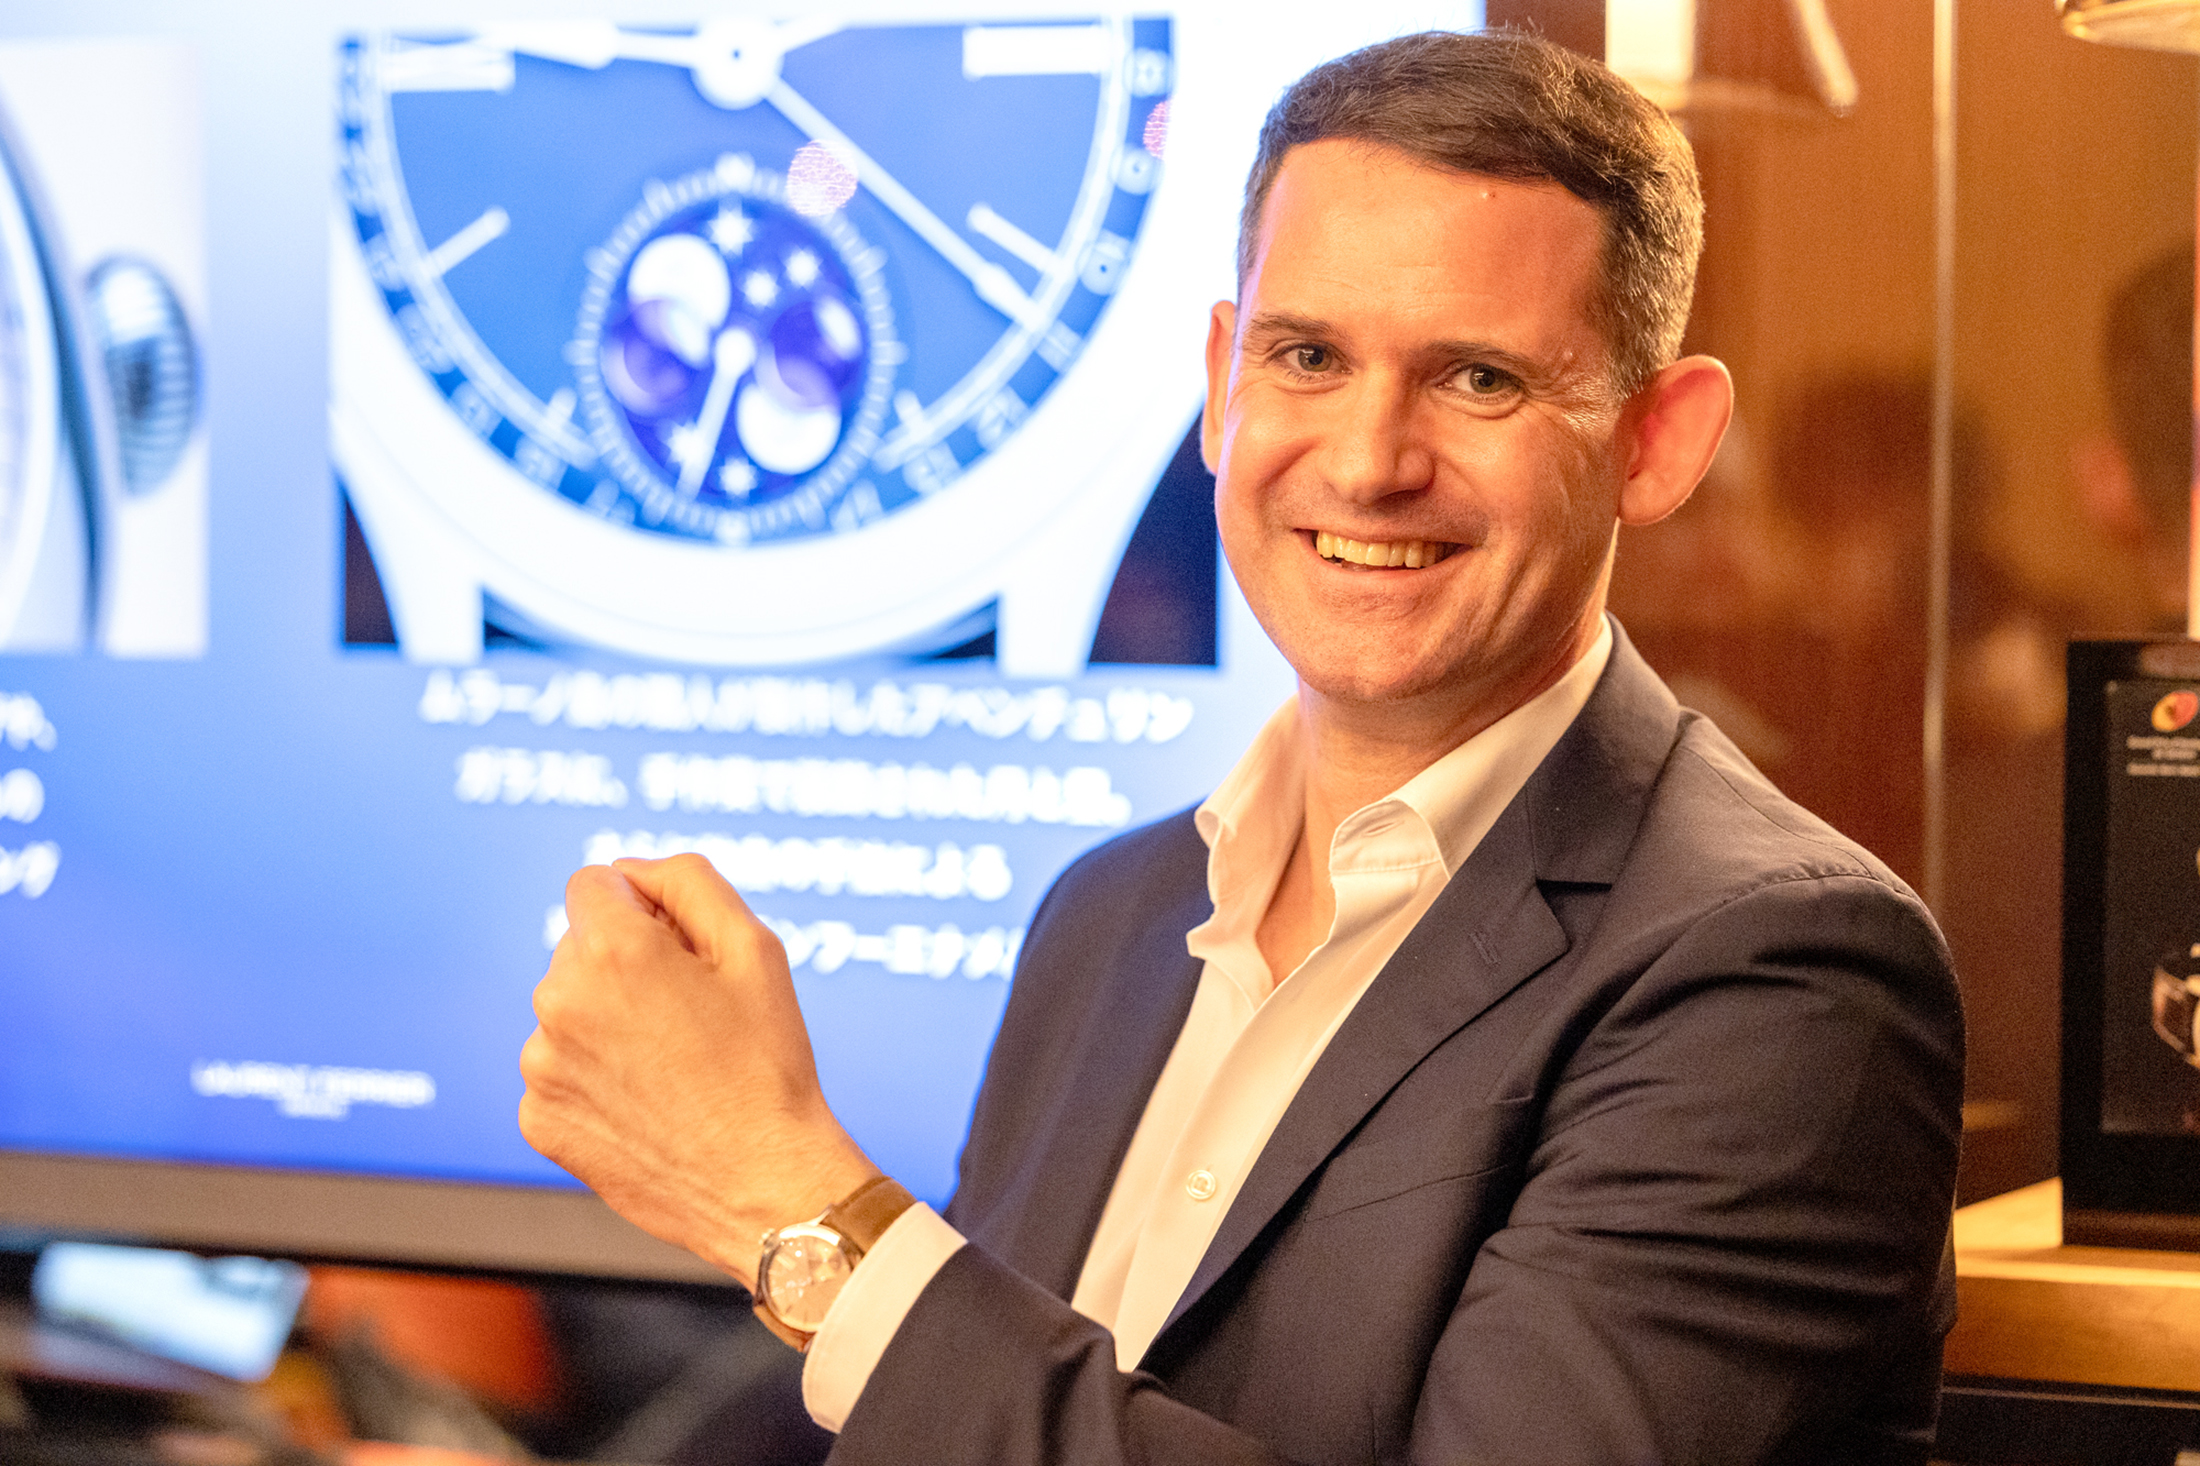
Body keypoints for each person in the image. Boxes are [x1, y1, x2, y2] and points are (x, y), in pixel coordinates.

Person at [519, 29, 1964, 1466]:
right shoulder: (1111, 918)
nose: (1369, 461)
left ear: (1658, 441)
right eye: (1310, 356)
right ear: (1223, 382)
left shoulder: (1778, 976)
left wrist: (788, 1200)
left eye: (1478, 379)